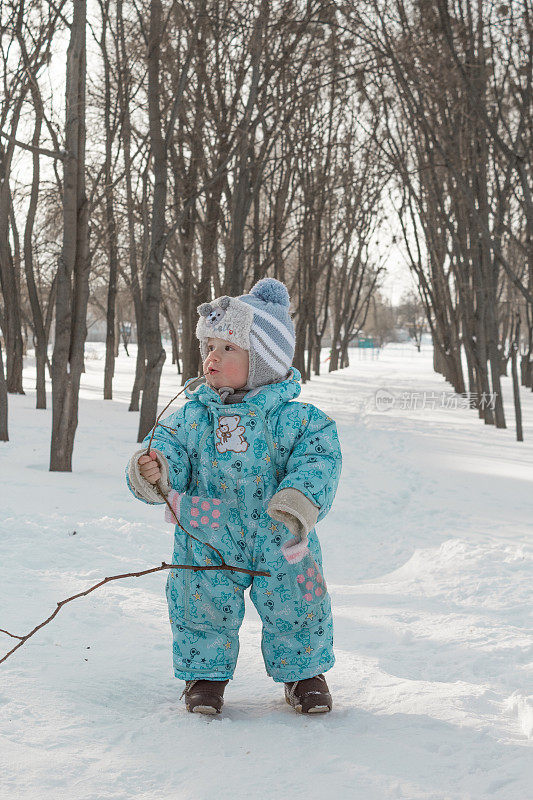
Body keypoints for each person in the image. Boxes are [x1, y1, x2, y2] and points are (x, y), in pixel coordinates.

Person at [125, 278, 342, 715]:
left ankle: (305, 673)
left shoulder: (297, 419)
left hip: (279, 532)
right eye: (209, 347)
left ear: (262, 361)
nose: (212, 358)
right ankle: (205, 675)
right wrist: (156, 469)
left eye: (228, 349)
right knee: (198, 597)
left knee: (298, 600)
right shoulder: (192, 416)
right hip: (208, 529)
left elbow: (319, 458)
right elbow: (167, 448)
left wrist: (299, 500)